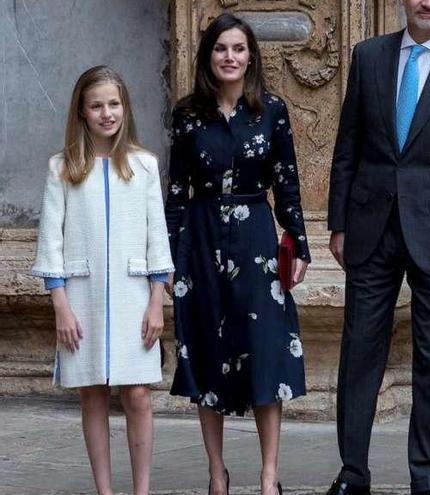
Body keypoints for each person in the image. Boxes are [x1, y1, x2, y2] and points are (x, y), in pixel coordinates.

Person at [325, 0, 430, 493]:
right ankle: (352, 474)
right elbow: (347, 145)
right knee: (359, 352)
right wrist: (338, 222)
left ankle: (427, 480)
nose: (429, 2)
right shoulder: (369, 56)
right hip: (370, 228)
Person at [164, 13, 310, 495]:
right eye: (221, 49)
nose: (230, 57)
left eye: (239, 49)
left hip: (256, 241)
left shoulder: (271, 109)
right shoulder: (187, 114)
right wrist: (169, 255)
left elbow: (287, 181)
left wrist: (299, 244)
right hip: (201, 240)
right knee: (206, 350)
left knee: (265, 350)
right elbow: (176, 191)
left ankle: (270, 475)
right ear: (209, 56)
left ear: (251, 56)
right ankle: (216, 475)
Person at [30, 65, 173, 495]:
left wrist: (156, 301)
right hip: (82, 298)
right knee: (91, 395)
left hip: (134, 299)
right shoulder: (62, 169)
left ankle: (141, 490)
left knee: (138, 396)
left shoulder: (144, 166)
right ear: (82, 111)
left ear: (124, 108)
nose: (107, 113)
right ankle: (104, 491)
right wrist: (61, 307)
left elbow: (157, 238)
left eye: (114, 104)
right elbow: (49, 242)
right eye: (97, 105)